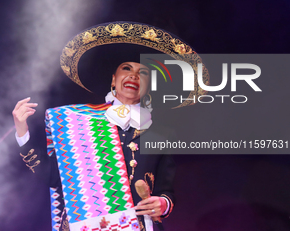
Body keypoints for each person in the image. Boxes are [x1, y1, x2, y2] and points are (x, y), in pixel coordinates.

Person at [12, 22, 209, 231]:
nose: (134, 75)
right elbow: (52, 176)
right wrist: (22, 132)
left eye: (142, 72)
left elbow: (165, 191)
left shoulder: (160, 134)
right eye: (127, 69)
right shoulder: (80, 122)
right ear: (114, 80)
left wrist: (164, 203)